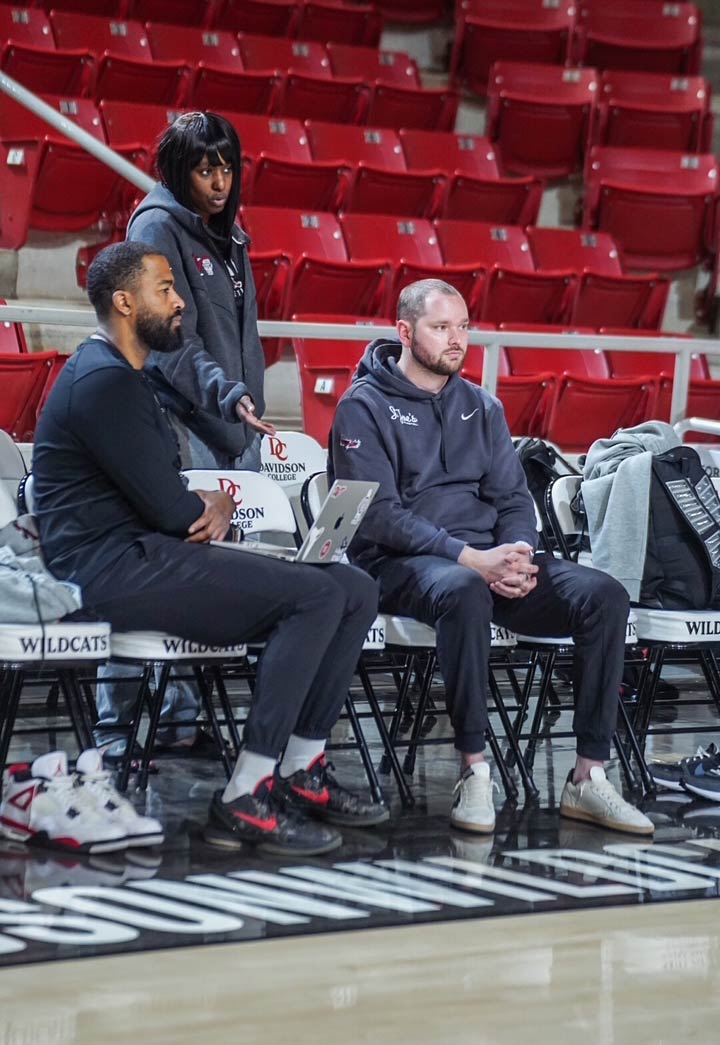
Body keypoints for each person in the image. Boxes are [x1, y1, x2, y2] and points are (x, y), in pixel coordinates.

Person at [32, 241, 387, 856]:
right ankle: (245, 795)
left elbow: (170, 509)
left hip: (146, 555)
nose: (178, 303)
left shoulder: (126, 378)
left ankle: (302, 767)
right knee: (314, 595)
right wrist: (215, 506)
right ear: (123, 302)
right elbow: (174, 513)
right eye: (165, 290)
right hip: (107, 571)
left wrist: (211, 510)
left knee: (353, 587)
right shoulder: (102, 383)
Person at [329, 278, 654, 837]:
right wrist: (470, 558)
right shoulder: (363, 407)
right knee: (463, 589)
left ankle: (588, 776)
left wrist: (519, 554)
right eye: (441, 327)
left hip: (491, 562)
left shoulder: (482, 405)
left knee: (604, 595)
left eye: (463, 327)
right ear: (404, 332)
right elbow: (377, 514)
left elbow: (511, 498)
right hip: (402, 565)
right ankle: (474, 769)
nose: (456, 340)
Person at [98, 111, 272, 757]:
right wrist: (227, 396)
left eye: (227, 166)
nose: (219, 181)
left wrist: (237, 406)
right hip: (179, 420)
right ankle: (117, 730)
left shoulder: (230, 233)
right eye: (205, 168)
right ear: (179, 170)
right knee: (155, 564)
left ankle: (177, 719)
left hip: (231, 424)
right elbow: (169, 342)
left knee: (206, 573)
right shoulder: (155, 229)